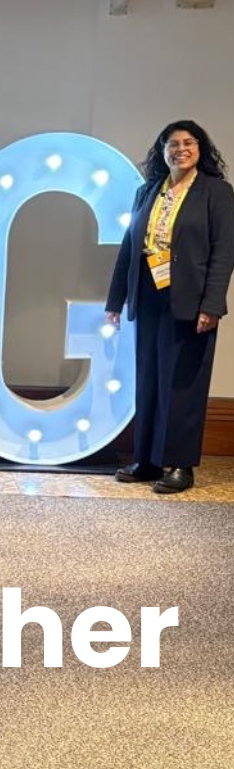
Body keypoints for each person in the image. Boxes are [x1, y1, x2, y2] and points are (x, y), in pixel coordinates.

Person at [106, 120, 234, 494]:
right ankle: (147, 460)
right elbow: (129, 248)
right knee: (149, 379)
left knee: (183, 385)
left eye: (188, 142)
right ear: (162, 152)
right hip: (148, 294)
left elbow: (224, 252)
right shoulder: (147, 191)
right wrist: (115, 300)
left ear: (200, 148)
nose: (181, 149)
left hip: (192, 300)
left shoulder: (216, 192)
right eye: (172, 144)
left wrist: (212, 305)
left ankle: (180, 464)